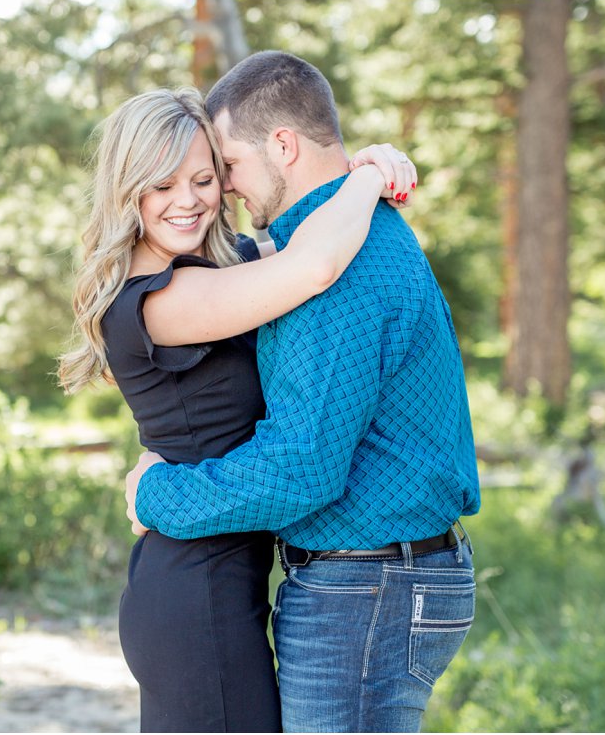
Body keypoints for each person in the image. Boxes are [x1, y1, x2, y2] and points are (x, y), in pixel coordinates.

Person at [125, 51, 481, 733]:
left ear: (282, 145)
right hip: (383, 577)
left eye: (227, 165)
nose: (224, 189)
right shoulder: (345, 233)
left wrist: (155, 492)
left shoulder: (331, 269)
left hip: (366, 588)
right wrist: (369, 172)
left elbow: (300, 469)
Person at [58, 86, 416, 733]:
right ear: (126, 188)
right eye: (162, 184)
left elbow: (309, 245)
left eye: (203, 178)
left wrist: (360, 168)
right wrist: (364, 180)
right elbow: (312, 267)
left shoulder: (215, 273)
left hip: (219, 582)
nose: (188, 199)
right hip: (195, 596)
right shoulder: (154, 301)